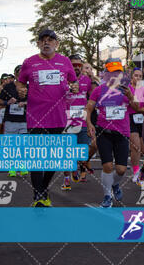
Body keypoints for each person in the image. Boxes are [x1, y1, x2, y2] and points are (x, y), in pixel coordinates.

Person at [17, 29, 78, 207]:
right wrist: (21, 89)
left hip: (57, 115)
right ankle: (38, 195)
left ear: (56, 44)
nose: (46, 43)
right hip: (35, 115)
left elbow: (73, 81)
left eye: (50, 40)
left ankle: (43, 188)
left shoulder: (65, 61)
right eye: (43, 40)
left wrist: (74, 87)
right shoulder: (29, 62)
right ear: (38, 43)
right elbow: (20, 82)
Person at [86, 59, 138, 207]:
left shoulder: (127, 89)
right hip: (104, 132)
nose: (115, 74)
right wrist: (89, 123)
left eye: (118, 72)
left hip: (122, 133)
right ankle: (107, 196)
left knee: (121, 170)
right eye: (112, 72)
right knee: (107, 166)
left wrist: (130, 97)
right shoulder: (99, 90)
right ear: (106, 74)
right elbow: (89, 108)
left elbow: (137, 107)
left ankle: (115, 184)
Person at [61, 54, 93, 190]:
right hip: (67, 123)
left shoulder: (87, 80)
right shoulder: (62, 80)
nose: (76, 68)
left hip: (83, 122)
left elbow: (92, 99)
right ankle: (67, 178)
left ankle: (76, 168)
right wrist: (67, 88)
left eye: (79, 65)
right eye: (73, 65)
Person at [0, 65, 28, 176]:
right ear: (15, 75)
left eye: (23, 73)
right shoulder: (8, 87)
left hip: (25, 120)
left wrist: (25, 103)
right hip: (10, 120)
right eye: (19, 73)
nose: (21, 75)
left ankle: (23, 166)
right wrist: (7, 102)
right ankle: (12, 168)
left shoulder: (30, 87)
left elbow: (36, 103)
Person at [128, 68, 144, 183]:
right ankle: (135, 171)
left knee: (143, 150)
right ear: (131, 77)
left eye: (140, 76)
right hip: (131, 118)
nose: (138, 78)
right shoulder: (128, 89)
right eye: (136, 76)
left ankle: (139, 168)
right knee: (136, 147)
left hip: (143, 119)